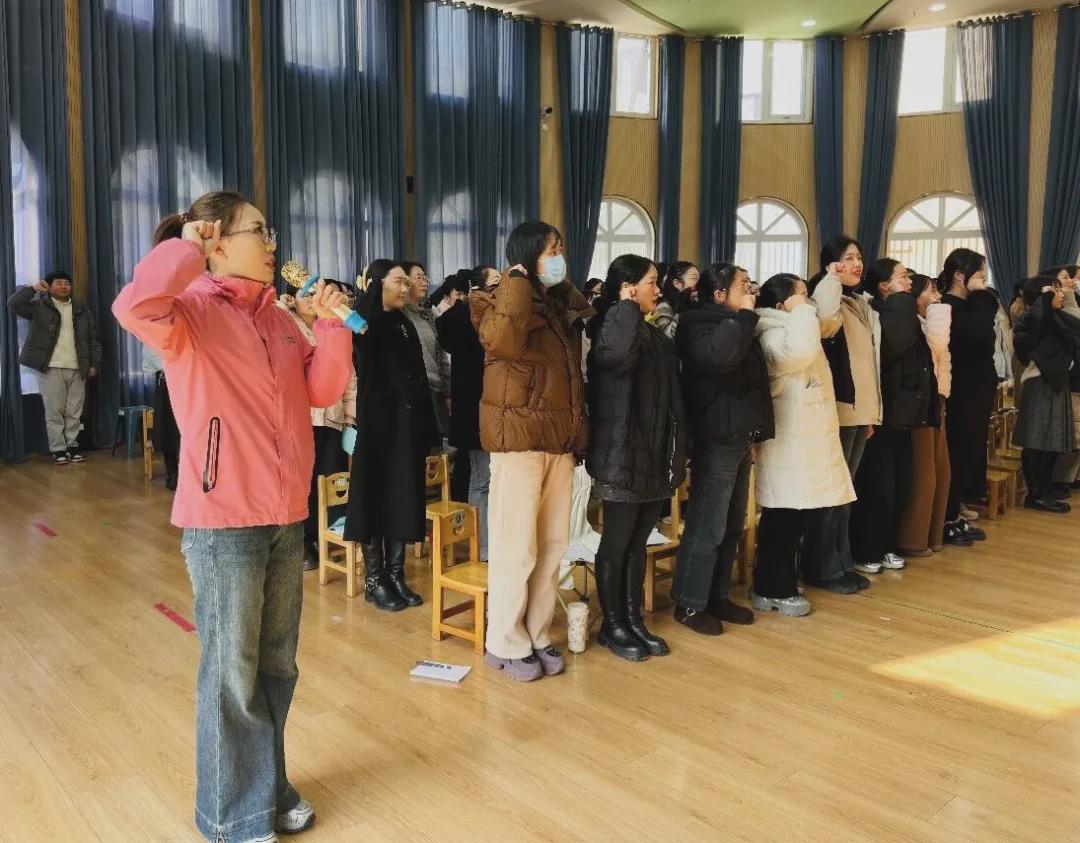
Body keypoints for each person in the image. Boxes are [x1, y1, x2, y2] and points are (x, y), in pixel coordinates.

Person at [113, 191, 352, 842]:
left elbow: (324, 389)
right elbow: (133, 306)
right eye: (258, 231)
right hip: (224, 520)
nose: (272, 243)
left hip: (284, 515)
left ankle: (266, 787)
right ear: (216, 240)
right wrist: (184, 248)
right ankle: (230, 813)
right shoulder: (188, 312)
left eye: (270, 232)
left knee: (276, 666)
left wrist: (331, 325)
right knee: (231, 673)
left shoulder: (277, 318)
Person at [471, 220, 592, 682]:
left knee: (552, 545)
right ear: (527, 255)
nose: (559, 257)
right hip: (518, 441)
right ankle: (504, 640)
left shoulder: (558, 307)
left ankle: (538, 632)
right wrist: (517, 280)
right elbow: (503, 341)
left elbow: (576, 363)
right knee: (515, 547)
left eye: (560, 248)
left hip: (558, 441)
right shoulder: (494, 298)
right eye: (551, 250)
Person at [585, 255, 687, 661]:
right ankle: (611, 626)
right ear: (628, 288)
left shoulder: (654, 335)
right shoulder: (612, 323)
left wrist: (676, 451)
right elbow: (618, 359)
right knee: (616, 543)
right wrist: (626, 306)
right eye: (650, 282)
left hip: (652, 455)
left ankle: (631, 618)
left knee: (638, 543)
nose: (658, 290)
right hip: (620, 454)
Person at [670, 263, 770, 635]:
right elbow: (720, 358)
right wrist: (744, 316)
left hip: (739, 435)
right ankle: (689, 603)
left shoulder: (738, 324)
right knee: (707, 524)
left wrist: (757, 432)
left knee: (731, 524)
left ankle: (716, 595)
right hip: (716, 436)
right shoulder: (696, 324)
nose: (751, 290)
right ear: (719, 294)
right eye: (743, 285)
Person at [752, 274, 855, 617]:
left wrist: (830, 281)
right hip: (787, 445)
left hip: (803, 443)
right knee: (782, 518)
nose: (808, 304)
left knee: (796, 517)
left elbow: (825, 319)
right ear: (782, 305)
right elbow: (799, 352)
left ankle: (779, 581)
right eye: (800, 296)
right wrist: (800, 309)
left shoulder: (797, 325)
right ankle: (771, 589)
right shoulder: (771, 332)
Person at [343, 260, 437, 610]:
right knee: (374, 498)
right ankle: (374, 579)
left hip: (406, 427)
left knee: (403, 496)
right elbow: (361, 344)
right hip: (377, 428)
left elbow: (418, 377)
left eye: (405, 282)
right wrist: (367, 297)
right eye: (398, 281)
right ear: (377, 284)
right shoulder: (364, 323)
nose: (405, 287)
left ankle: (396, 574)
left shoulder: (403, 322)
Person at [802, 236, 882, 593]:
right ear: (831, 264)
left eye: (859, 257)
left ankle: (841, 562)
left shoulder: (858, 302)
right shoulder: (826, 296)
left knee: (846, 495)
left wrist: (871, 413)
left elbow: (867, 364)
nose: (856, 264)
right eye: (847, 258)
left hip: (859, 411)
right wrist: (831, 280)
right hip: (837, 408)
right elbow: (825, 326)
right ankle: (822, 568)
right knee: (832, 494)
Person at [850, 258, 937, 573]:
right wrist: (902, 300)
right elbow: (894, 344)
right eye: (903, 277)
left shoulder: (900, 310)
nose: (910, 282)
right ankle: (866, 549)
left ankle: (886, 544)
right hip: (882, 411)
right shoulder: (879, 312)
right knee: (878, 485)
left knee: (900, 482)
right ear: (884, 285)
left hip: (904, 413)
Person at [278, 282, 358, 571]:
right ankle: (300, 540)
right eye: (306, 294)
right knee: (304, 483)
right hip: (302, 420)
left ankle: (324, 535)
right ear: (291, 299)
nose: (313, 299)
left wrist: (351, 417)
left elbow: (348, 376)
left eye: (316, 294)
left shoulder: (333, 326)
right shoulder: (286, 325)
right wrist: (282, 306)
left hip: (332, 418)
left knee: (331, 480)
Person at [436, 265, 500, 561]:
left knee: (494, 480)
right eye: (495, 283)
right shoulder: (459, 316)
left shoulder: (501, 314)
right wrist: (468, 302)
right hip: (474, 410)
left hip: (498, 410)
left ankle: (493, 540)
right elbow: (446, 330)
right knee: (481, 479)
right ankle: (483, 546)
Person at [8, 270, 101, 463]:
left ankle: (72, 445)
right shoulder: (39, 306)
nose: (64, 286)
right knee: (54, 411)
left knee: (74, 411)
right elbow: (13, 304)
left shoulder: (82, 310)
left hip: (78, 367)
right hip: (51, 366)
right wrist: (33, 289)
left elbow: (93, 339)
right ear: (49, 287)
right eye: (59, 283)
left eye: (67, 283)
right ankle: (58, 449)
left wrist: (93, 363)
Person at [940, 248, 996, 545]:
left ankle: (956, 510)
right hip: (961, 392)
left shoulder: (971, 304)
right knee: (957, 453)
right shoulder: (948, 306)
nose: (984, 281)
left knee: (969, 453)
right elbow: (980, 334)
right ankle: (947, 518)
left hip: (977, 390)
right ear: (960, 276)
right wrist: (984, 297)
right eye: (980, 275)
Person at [896, 274, 953, 555]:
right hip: (921, 403)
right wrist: (938, 311)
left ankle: (933, 535)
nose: (938, 297)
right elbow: (937, 346)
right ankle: (913, 539)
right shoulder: (914, 325)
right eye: (931, 291)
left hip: (937, 399)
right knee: (924, 475)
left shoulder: (928, 322)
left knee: (942, 473)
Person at [1013, 276, 1080, 512]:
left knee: (1051, 441)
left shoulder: (1058, 318)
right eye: (1056, 290)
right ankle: (1035, 494)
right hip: (1039, 381)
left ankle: (1044, 489)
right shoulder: (1032, 318)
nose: (1061, 295)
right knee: (1036, 441)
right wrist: (1044, 301)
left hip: (1057, 381)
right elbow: (1027, 342)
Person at [402, 260, 451, 441]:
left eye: (425, 278)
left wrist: (447, 391)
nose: (424, 283)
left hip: (435, 392)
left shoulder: (427, 314)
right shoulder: (399, 316)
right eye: (418, 278)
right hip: (413, 394)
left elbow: (441, 353)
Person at [1046, 265, 1080, 493]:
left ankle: (1070, 477)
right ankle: (1060, 479)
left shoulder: (1071, 302)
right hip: (1070, 379)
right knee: (1075, 434)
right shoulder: (1056, 310)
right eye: (1065, 278)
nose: (1071, 281)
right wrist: (1067, 296)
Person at [142, 344, 181, 489]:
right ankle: (172, 471)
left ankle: (190, 472)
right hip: (166, 379)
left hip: (188, 377)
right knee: (167, 428)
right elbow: (150, 354)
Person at [652, 261, 700, 339]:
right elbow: (668, 338)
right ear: (677, 283)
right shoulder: (664, 307)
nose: (699, 283)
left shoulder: (694, 303)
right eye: (694, 278)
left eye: (699, 279)